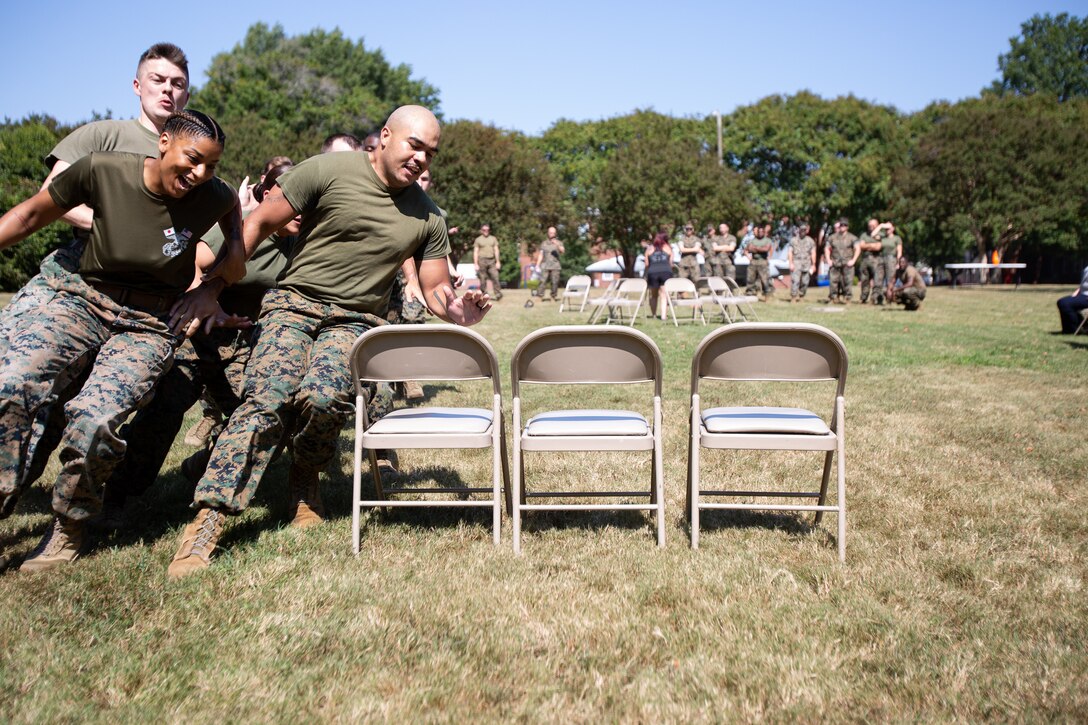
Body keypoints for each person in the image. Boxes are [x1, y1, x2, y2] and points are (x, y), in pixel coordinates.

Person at [168, 105, 491, 578]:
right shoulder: (326, 170)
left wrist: (461, 311)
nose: (421, 159)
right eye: (415, 145)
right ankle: (209, 519)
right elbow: (257, 224)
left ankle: (304, 477)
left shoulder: (428, 217)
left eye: (431, 153)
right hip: (293, 304)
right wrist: (213, 286)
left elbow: (437, 288)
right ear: (385, 136)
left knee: (325, 398)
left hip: (356, 320)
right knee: (266, 398)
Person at [0, 110, 241, 571]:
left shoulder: (214, 194)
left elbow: (233, 221)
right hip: (83, 300)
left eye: (211, 166)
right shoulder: (102, 169)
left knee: (96, 420)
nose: (200, 174)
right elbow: (29, 215)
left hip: (150, 322)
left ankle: (68, 528)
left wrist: (214, 284)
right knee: (11, 384)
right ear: (164, 142)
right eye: (193, 159)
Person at [0, 43, 208, 516]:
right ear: (137, 86)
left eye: (177, 84)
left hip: (146, 299)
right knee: (28, 387)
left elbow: (197, 237)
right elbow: (52, 197)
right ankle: (12, 487)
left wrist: (200, 290)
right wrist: (116, 227)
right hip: (81, 277)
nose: (168, 90)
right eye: (158, 80)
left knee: (93, 408)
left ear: (187, 94)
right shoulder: (102, 136)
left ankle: (89, 505)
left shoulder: (192, 157)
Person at [102, 160, 301, 524]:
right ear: (269, 197)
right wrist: (207, 303)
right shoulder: (244, 229)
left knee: (268, 419)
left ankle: (206, 465)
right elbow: (194, 263)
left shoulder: (300, 244)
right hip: (197, 334)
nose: (300, 211)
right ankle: (117, 494)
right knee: (162, 411)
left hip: (243, 345)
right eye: (293, 201)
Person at [824, 219, 859, 304]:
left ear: (847, 227)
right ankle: (833, 298)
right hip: (835, 263)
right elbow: (827, 248)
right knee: (833, 281)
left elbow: (857, 248)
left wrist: (853, 260)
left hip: (847, 263)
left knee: (847, 281)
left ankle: (847, 298)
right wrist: (828, 259)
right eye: (841, 225)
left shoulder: (852, 237)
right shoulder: (832, 237)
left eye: (844, 225)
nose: (842, 227)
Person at [642, 231, 674, 319]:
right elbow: (671, 263)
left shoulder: (649, 249)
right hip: (666, 272)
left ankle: (654, 315)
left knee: (653, 295)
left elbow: (646, 264)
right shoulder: (668, 248)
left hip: (653, 272)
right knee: (664, 295)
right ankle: (663, 316)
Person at [856, 219, 883, 304]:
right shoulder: (864, 235)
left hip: (876, 259)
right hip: (865, 259)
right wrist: (872, 245)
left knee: (877, 280)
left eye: (873, 225)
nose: (871, 227)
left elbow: (878, 247)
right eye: (869, 225)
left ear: (877, 225)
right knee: (864, 280)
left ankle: (875, 298)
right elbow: (861, 246)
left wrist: (867, 245)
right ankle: (863, 297)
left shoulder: (881, 234)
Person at [787, 223, 817, 302]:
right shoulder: (793, 240)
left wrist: (813, 264)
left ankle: (801, 295)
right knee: (795, 280)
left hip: (806, 263)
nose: (803, 232)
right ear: (799, 230)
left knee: (805, 281)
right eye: (801, 230)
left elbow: (813, 253)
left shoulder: (810, 241)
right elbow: (790, 252)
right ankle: (793, 296)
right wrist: (790, 263)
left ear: (806, 231)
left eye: (804, 230)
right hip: (796, 262)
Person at [473, 223, 503, 300]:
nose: (486, 231)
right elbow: (476, 252)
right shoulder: (478, 239)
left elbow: (496, 250)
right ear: (481, 230)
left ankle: (498, 294)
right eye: (484, 230)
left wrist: (498, 262)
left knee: (495, 277)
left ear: (489, 230)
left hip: (492, 260)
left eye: (487, 230)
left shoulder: (493, 238)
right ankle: (484, 294)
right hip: (482, 261)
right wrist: (475, 264)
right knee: (483, 279)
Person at [744, 224, 774, 300]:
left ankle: (766, 294)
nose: (760, 233)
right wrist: (750, 256)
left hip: (763, 261)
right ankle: (750, 293)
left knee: (765, 279)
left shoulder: (767, 240)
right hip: (753, 261)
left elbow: (766, 249)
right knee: (750, 278)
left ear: (764, 232)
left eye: (762, 231)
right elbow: (748, 249)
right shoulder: (752, 240)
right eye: (759, 231)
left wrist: (755, 248)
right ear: (757, 232)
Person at [535, 226, 565, 301]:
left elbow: (563, 251)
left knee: (555, 282)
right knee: (542, 281)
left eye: (553, 233)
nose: (552, 234)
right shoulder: (544, 243)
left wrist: (557, 245)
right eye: (551, 233)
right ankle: (539, 296)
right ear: (548, 233)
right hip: (545, 265)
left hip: (555, 265)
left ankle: (553, 296)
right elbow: (541, 254)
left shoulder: (559, 242)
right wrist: (537, 265)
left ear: (555, 233)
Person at [1056, 264, 1088, 333]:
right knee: (1063, 301)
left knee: (1064, 303)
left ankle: (1072, 329)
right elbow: (1084, 284)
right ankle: (1077, 327)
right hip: (1083, 295)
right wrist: (1077, 292)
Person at [876, 222, 903, 305]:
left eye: (889, 228)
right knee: (878, 279)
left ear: (893, 228)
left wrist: (898, 263)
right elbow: (873, 234)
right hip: (882, 258)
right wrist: (881, 225)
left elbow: (899, 251)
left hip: (891, 259)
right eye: (886, 228)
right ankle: (879, 299)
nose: (887, 230)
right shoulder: (883, 236)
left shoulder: (896, 238)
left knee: (890, 280)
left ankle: (891, 298)